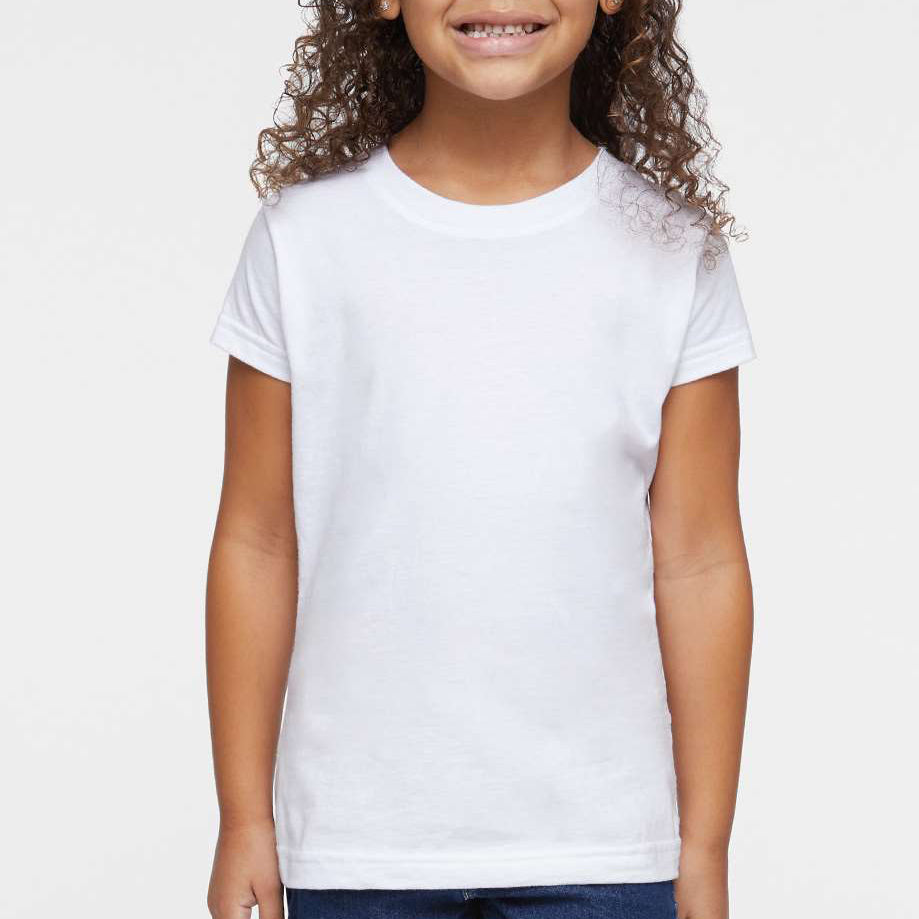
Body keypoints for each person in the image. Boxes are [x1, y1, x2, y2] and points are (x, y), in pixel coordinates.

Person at [204, 0, 756, 916]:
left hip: (604, 847)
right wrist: (242, 819)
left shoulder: (671, 252)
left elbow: (700, 560)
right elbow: (257, 541)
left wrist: (701, 850)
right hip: (359, 849)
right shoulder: (304, 241)